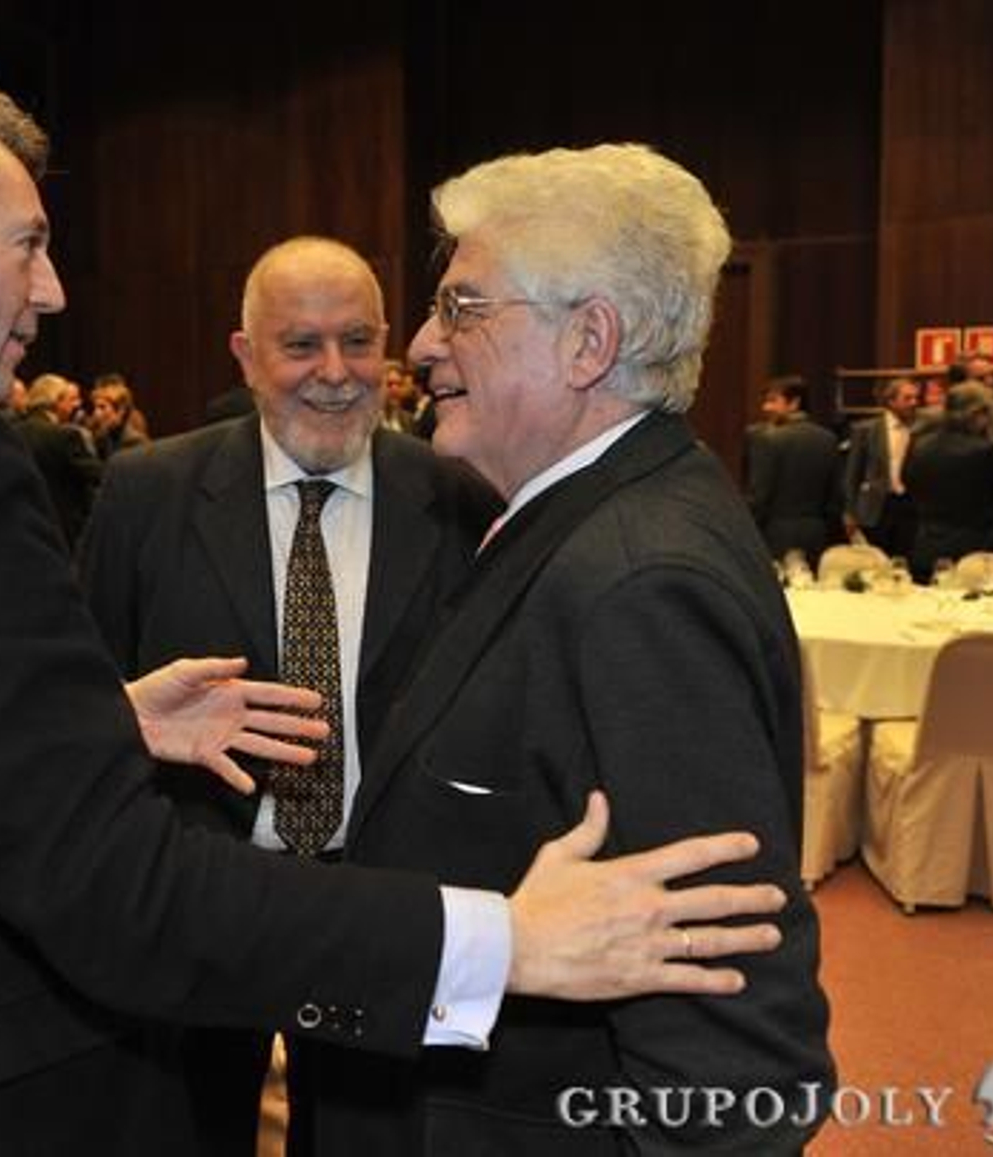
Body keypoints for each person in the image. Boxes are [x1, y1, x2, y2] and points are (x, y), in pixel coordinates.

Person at [0, 65, 787, 1156]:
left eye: (459, 306)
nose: (51, 291)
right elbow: (109, 884)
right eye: (28, 244)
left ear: (590, 340)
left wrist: (91, 720)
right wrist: (504, 940)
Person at [292, 144, 834, 1155]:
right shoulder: (576, 518)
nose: (422, 343)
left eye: (461, 307)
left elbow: (729, 1054)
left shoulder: (641, 581)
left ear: (588, 341)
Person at [78, 236, 502, 1153]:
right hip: (202, 900)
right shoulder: (147, 493)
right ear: (245, 355)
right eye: (301, 345)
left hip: (378, 903)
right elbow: (90, 694)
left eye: (358, 341)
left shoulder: (458, 496)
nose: (336, 373)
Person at [903, 381, 993, 582]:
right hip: (977, 553)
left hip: (928, 547)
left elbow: (908, 482)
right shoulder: (985, 451)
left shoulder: (920, 446)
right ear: (975, 414)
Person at [744, 375, 841, 567]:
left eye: (773, 401)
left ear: (794, 403)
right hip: (817, 536)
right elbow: (835, 499)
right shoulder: (828, 439)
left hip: (776, 536)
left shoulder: (767, 440)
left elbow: (759, 497)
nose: (766, 407)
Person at [15, 372, 103, 547]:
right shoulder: (65, 436)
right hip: (65, 533)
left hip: (26, 530)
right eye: (70, 400)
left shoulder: (13, 431)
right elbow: (99, 476)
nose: (77, 405)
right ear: (57, 401)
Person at [843, 375, 921, 557]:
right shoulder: (866, 430)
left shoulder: (921, 428)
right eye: (907, 398)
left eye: (916, 398)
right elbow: (853, 474)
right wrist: (849, 512)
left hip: (910, 505)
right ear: (891, 401)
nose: (914, 403)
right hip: (877, 506)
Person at [88, 371, 149, 459]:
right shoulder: (101, 439)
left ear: (121, 410)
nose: (96, 413)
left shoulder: (135, 442)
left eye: (102, 407)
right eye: (95, 407)